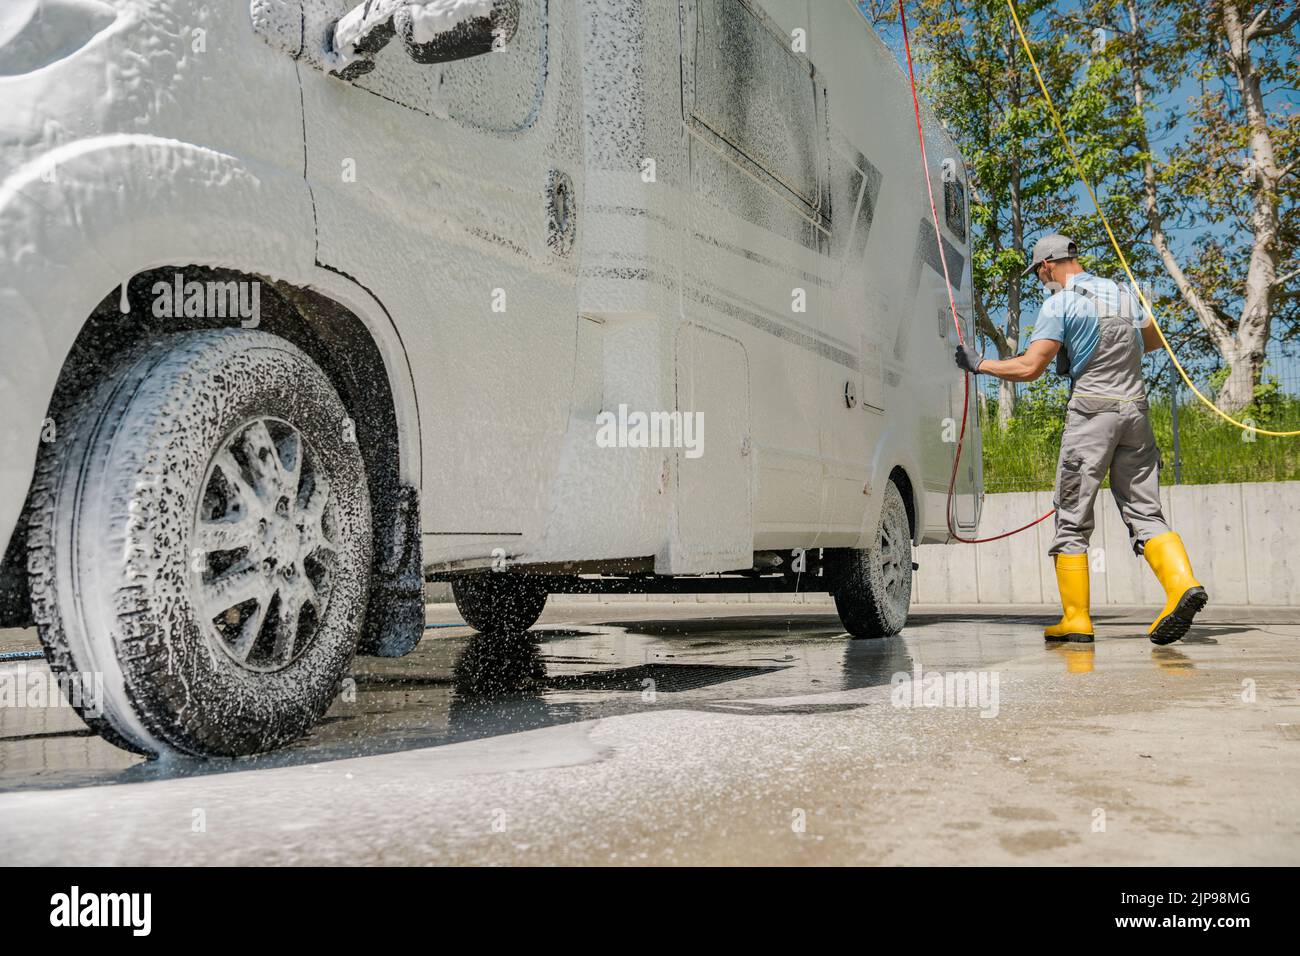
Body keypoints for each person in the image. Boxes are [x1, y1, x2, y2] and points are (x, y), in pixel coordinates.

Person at [954, 234, 1207, 645]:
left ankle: (1076, 620)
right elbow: (1154, 342)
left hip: (1091, 415)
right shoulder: (1124, 293)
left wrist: (979, 364)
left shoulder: (1059, 302)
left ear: (1049, 265)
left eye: (1038, 272)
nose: (1039, 279)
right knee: (1146, 512)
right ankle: (1183, 585)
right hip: (1136, 413)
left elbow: (1031, 367)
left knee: (1071, 519)